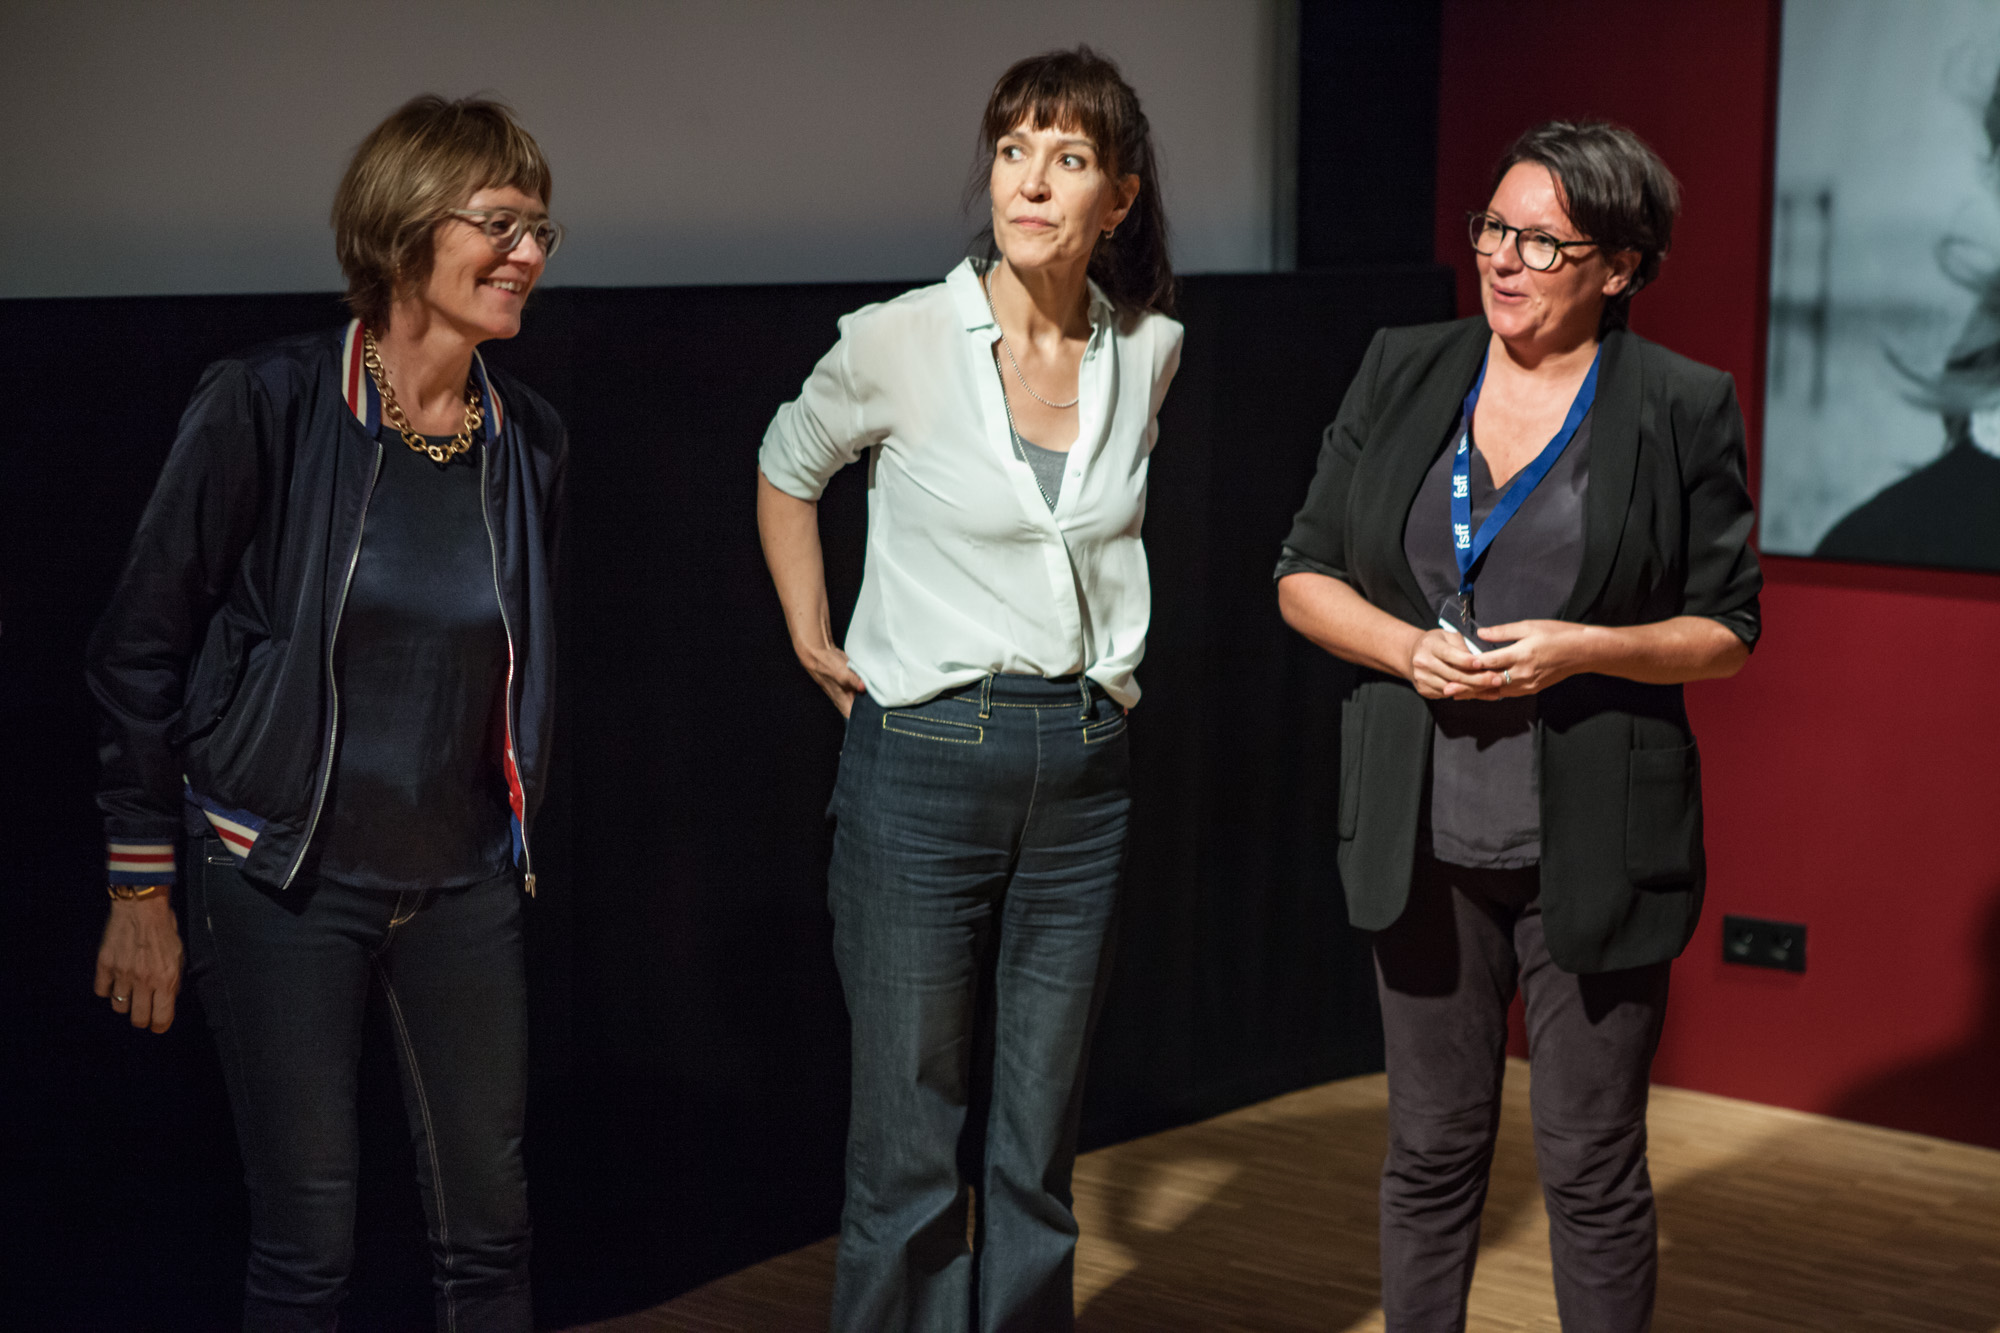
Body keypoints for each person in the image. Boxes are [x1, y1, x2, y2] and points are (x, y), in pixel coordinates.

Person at [87, 94, 567, 1332]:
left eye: (540, 231)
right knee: (308, 1248)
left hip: (462, 884)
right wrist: (140, 881)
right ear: (408, 227)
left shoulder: (528, 441)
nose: (527, 253)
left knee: (491, 1238)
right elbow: (139, 643)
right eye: (500, 224)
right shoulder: (269, 401)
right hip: (281, 877)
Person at [1275, 120, 1760, 1332]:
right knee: (1428, 1152)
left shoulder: (1679, 403)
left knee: (1589, 1166)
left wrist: (1582, 647)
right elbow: (1301, 572)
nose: (1502, 258)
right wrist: (1402, 648)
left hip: (1593, 842)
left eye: (1541, 243)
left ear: (1619, 267)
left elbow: (1727, 628)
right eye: (1494, 228)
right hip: (1419, 834)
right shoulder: (1402, 367)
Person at [756, 46, 1182, 1333]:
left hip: (1084, 775)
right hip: (925, 765)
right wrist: (810, 630)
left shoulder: (1146, 350)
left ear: (1117, 197)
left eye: (1067, 157)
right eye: (1011, 151)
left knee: (1037, 1142)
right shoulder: (901, 338)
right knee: (907, 1140)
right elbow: (787, 463)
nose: (1029, 182)